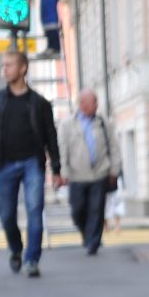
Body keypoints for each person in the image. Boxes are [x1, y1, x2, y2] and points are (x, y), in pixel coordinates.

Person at [0, 49, 63, 277]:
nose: (4, 69)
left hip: (32, 163)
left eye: (9, 65)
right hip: (5, 164)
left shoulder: (40, 103)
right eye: (3, 65)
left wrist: (56, 169)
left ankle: (32, 259)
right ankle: (16, 249)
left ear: (22, 68)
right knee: (6, 215)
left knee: (35, 209)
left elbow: (51, 137)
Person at [57, 89, 119, 256]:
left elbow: (113, 147)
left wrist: (114, 170)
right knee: (77, 211)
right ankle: (86, 234)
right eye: (94, 102)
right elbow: (62, 150)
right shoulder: (67, 124)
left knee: (97, 210)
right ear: (82, 104)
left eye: (97, 101)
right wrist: (63, 172)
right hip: (77, 175)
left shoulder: (103, 123)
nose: (97, 105)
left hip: (100, 173)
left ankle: (94, 242)